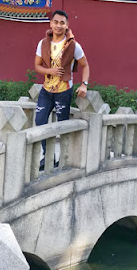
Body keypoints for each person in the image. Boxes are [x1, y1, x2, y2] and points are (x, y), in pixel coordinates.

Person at [34, 10, 90, 169]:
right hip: (46, 90)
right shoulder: (43, 43)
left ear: (67, 25)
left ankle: (64, 158)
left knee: (62, 125)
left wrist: (84, 84)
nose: (58, 26)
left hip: (64, 91)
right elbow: (37, 66)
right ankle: (48, 156)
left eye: (62, 23)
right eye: (56, 22)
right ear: (51, 24)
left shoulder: (74, 45)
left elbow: (85, 65)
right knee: (40, 121)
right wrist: (49, 71)